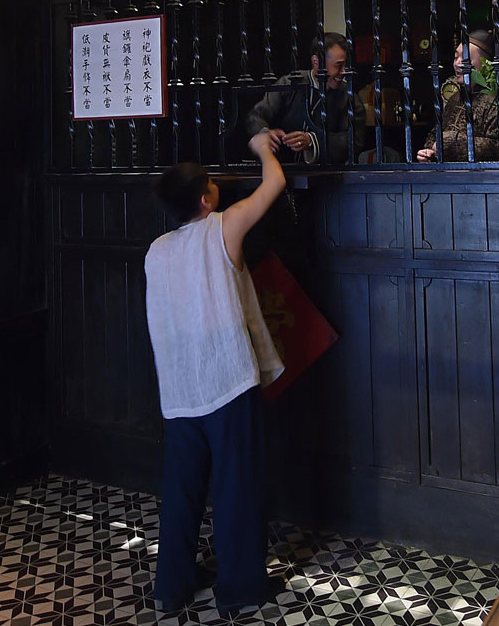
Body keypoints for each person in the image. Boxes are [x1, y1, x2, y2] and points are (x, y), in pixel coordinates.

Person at [145, 132, 287, 616]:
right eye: (210, 182)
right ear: (206, 199)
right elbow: (274, 184)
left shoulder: (156, 250)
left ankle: (171, 586)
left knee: (181, 489)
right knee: (235, 484)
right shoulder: (224, 227)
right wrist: (262, 146)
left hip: (180, 388)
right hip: (227, 379)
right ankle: (240, 587)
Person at [242, 33, 353, 164]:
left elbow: (352, 141)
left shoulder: (347, 97)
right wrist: (265, 134)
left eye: (345, 65)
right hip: (281, 167)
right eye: (338, 65)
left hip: (325, 173)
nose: (344, 71)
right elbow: (256, 116)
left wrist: (312, 141)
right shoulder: (289, 84)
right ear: (316, 62)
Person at [415, 30, 499, 161]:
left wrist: (453, 142)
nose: (457, 63)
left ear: (486, 63)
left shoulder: (495, 99)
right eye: (456, 57)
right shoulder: (454, 100)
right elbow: (435, 135)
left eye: (465, 58)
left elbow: (498, 146)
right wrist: (428, 152)